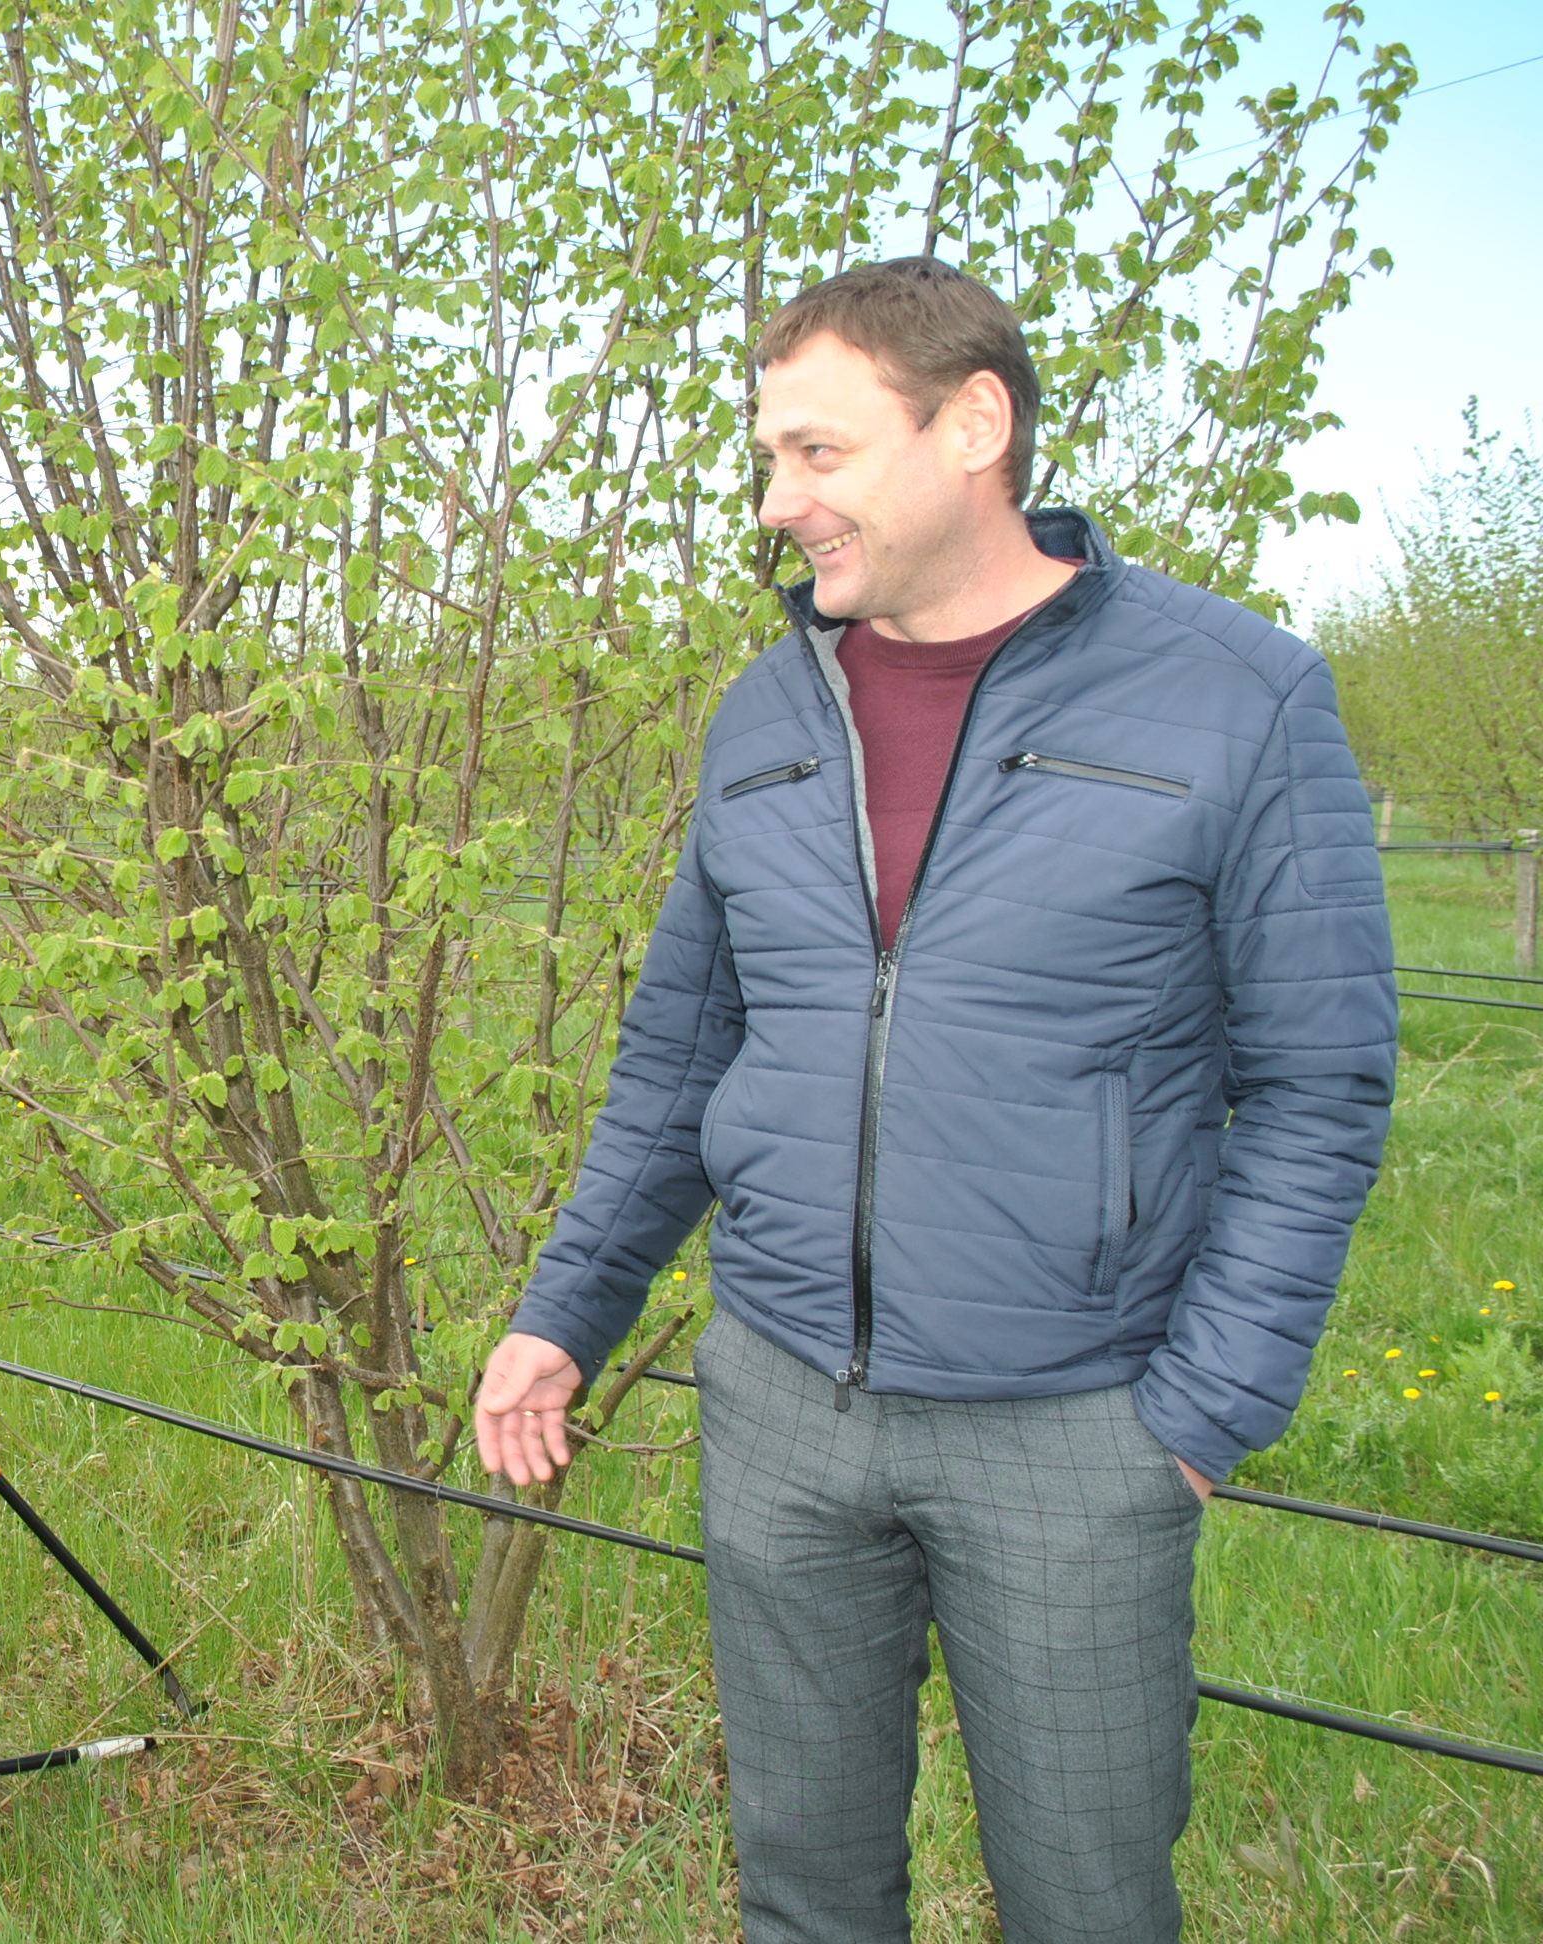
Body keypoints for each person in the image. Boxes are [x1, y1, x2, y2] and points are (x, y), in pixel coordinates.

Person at [474, 258, 1395, 1942]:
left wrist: (1191, 1419)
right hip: (772, 1407)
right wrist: (564, 1309)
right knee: (804, 1892)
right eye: (767, 458)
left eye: (815, 454)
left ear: (974, 421)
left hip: (1076, 1426)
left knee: (1086, 1899)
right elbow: (682, 1048)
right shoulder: (769, 713)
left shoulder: (1238, 697)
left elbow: (1321, 1083)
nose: (779, 503)